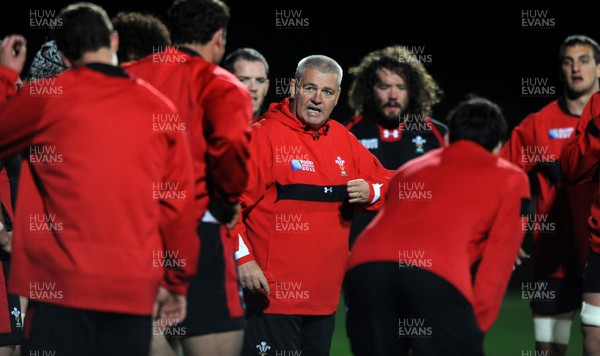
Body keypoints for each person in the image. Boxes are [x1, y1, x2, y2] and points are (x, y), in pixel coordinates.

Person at [0, 2, 199, 354]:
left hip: (62, 288)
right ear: (114, 40)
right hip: (133, 289)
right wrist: (177, 281)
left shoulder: (47, 100)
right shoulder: (160, 109)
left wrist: (6, 75)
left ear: (61, 55)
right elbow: (179, 204)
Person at [233, 54, 393, 356]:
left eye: (327, 92)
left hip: (323, 302)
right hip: (271, 301)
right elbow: (227, 206)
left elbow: (395, 184)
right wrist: (243, 260)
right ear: (294, 87)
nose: (317, 99)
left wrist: (372, 191)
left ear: (337, 98)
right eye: (310, 88)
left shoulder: (344, 142)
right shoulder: (262, 137)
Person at [345, 96, 530, 355]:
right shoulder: (512, 177)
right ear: (499, 146)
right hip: (433, 274)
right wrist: (476, 325)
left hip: (364, 269)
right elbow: (498, 263)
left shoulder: (412, 168)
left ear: (450, 138)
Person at [122, 1, 252, 355]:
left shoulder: (127, 74)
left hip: (132, 233)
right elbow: (231, 142)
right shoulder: (219, 83)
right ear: (218, 37)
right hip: (198, 230)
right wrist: (226, 200)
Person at [502, 34, 600, 355]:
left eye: (584, 60)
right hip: (554, 256)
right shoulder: (538, 124)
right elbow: (503, 177)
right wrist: (510, 227)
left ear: (598, 68)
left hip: (596, 253)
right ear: (561, 70)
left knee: (595, 341)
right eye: (568, 61)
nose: (576, 68)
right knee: (548, 350)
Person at [344, 44, 447, 247]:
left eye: (400, 87)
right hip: (366, 249)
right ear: (370, 90)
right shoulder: (349, 133)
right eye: (384, 87)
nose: (393, 95)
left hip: (422, 247)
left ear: (412, 91)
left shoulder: (437, 133)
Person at [223, 47, 270, 120]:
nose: (253, 88)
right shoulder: (207, 125)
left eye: (260, 80)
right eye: (243, 80)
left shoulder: (276, 128)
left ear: (267, 87)